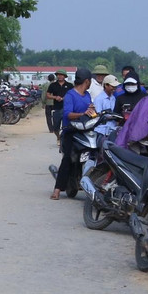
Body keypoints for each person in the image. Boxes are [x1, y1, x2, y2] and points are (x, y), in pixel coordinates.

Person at [51, 68, 93, 201]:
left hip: (85, 130)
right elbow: (67, 114)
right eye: (90, 81)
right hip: (71, 131)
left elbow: (90, 109)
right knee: (68, 158)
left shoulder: (87, 95)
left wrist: (93, 111)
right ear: (87, 81)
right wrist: (83, 114)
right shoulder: (70, 95)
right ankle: (57, 190)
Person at [93, 73, 121, 141]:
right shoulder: (99, 99)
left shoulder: (113, 98)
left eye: (115, 87)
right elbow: (98, 116)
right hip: (102, 130)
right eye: (112, 86)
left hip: (113, 129)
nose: (114, 88)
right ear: (106, 85)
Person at [46, 70, 70, 136]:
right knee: (56, 127)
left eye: (61, 75)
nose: (60, 76)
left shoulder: (69, 85)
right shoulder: (53, 85)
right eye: (58, 75)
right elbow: (48, 95)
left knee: (67, 126)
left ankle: (64, 139)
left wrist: (65, 98)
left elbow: (72, 95)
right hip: (57, 108)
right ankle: (58, 137)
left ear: (64, 76)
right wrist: (55, 97)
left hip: (66, 108)